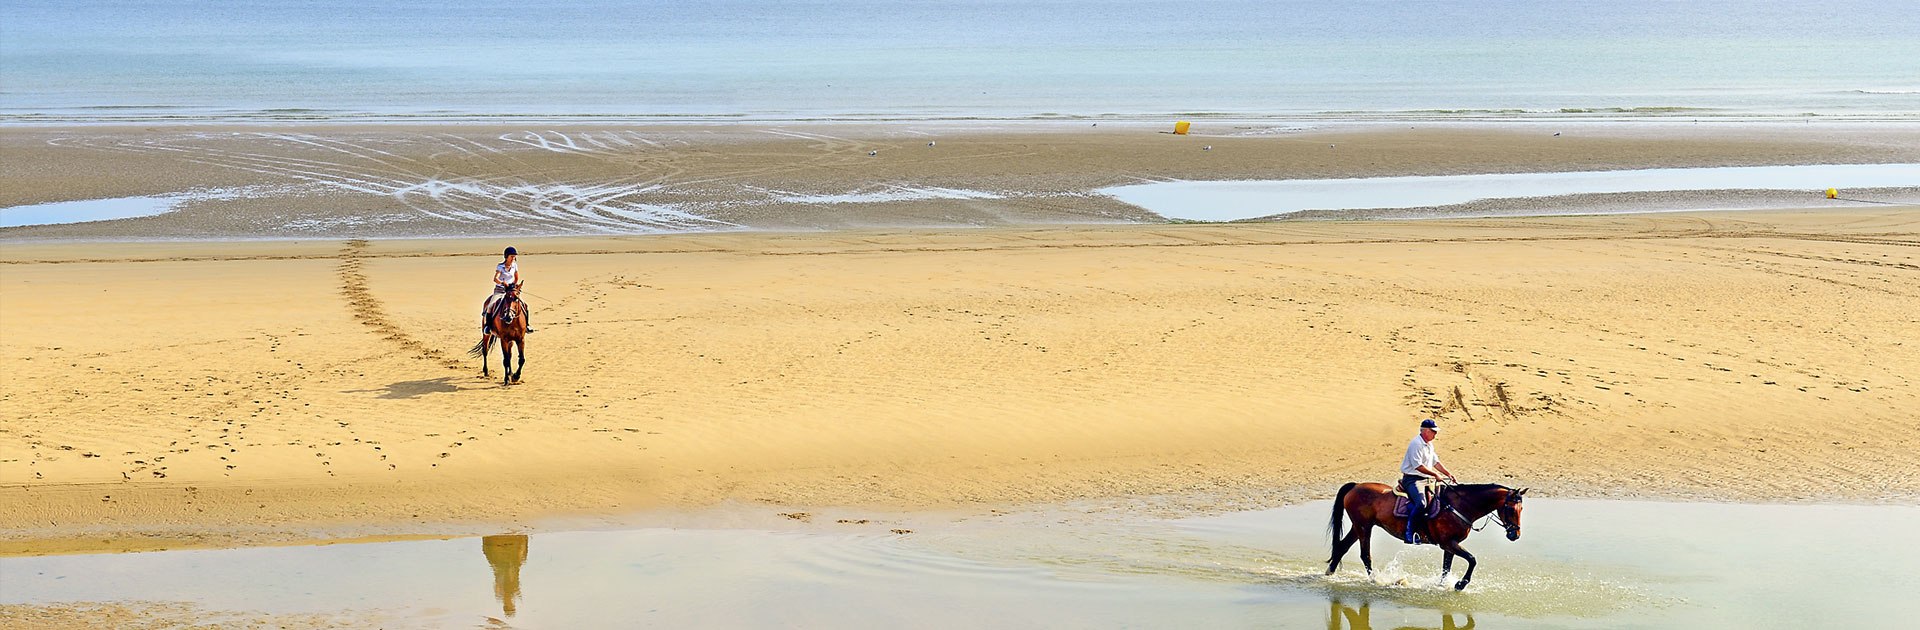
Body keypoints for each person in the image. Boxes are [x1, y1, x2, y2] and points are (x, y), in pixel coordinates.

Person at [1400, 418, 1456, 544]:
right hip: (1413, 479)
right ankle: (1409, 533)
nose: (1435, 434)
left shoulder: (1429, 444)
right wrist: (1435, 474)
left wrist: (1448, 473)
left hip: (1426, 478)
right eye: (1433, 431)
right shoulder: (1416, 444)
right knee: (1421, 504)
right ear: (1425, 431)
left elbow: (1435, 462)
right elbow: (1418, 466)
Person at [482, 246, 532, 333]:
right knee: (490, 306)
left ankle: (527, 325)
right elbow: (495, 278)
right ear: (506, 256)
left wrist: (514, 286)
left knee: (524, 305)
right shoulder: (500, 266)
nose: (513, 258)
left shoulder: (514, 266)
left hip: (511, 290)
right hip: (500, 290)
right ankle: (488, 326)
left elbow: (516, 277)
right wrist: (502, 283)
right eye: (511, 256)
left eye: (514, 256)